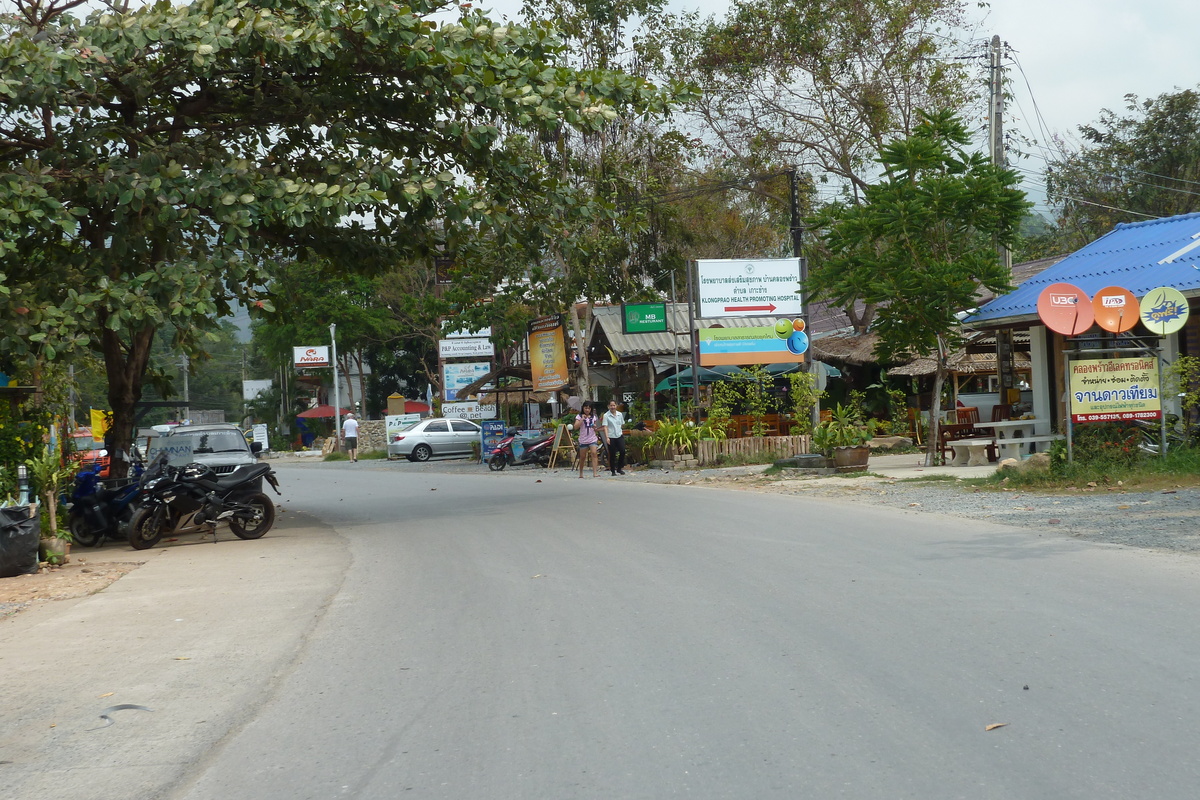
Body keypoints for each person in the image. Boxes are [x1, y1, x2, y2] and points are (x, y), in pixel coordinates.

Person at [574, 401, 600, 478]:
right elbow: (575, 427)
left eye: (589, 408)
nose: (587, 410)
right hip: (583, 439)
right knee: (582, 457)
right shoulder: (579, 416)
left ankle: (595, 472)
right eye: (586, 408)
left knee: (594, 453)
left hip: (592, 438)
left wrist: (595, 427)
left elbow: (596, 427)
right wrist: (582, 419)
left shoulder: (594, 416)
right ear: (583, 408)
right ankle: (581, 473)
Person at [601, 400, 626, 475]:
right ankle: (612, 470)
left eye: (614, 405)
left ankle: (619, 468)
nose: (612, 407)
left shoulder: (620, 414)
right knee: (612, 454)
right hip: (611, 436)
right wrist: (607, 437)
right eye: (611, 405)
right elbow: (605, 427)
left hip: (619, 435)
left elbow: (622, 424)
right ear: (608, 406)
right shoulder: (606, 415)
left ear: (616, 406)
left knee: (623, 451)